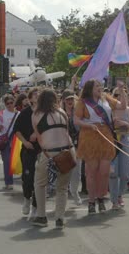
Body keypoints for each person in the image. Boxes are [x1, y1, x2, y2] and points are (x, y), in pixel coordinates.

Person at [74, 79, 126, 214]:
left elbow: (122, 106)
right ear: (90, 88)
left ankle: (101, 198)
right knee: (91, 173)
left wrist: (121, 91)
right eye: (97, 86)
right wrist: (89, 125)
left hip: (106, 136)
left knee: (104, 172)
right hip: (90, 137)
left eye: (100, 86)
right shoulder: (83, 102)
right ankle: (91, 201)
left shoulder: (106, 99)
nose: (100, 88)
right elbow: (76, 120)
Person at [31, 89, 74, 228]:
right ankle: (59, 218)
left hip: (49, 153)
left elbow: (39, 137)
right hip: (68, 152)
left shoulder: (36, 114)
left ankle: (41, 216)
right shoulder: (62, 113)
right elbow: (66, 131)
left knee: (40, 183)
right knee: (62, 188)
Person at [12, 88, 40, 218]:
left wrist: (38, 133)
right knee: (28, 177)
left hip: (42, 150)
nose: (37, 97)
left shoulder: (45, 113)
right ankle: (27, 199)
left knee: (39, 179)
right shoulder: (24, 113)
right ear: (29, 99)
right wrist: (25, 142)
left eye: (39, 95)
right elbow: (17, 130)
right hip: (28, 149)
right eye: (35, 95)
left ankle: (36, 205)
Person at [109, 86, 129, 210]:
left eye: (121, 94)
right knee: (113, 173)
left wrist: (125, 124)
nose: (119, 97)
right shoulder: (109, 110)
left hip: (125, 142)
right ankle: (114, 200)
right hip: (112, 143)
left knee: (125, 174)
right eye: (116, 95)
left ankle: (120, 194)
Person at [61, 90, 82, 206]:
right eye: (68, 99)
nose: (70, 101)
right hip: (62, 146)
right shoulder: (59, 112)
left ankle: (74, 192)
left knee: (76, 171)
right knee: (64, 171)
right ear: (63, 100)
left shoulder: (78, 112)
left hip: (77, 144)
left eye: (72, 99)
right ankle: (63, 193)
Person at [0, 95, 19, 190]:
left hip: (16, 140)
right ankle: (8, 182)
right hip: (5, 141)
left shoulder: (19, 114)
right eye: (7, 103)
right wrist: (0, 125)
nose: (9, 105)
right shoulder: (2, 114)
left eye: (11, 103)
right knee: (7, 161)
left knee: (17, 161)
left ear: (14, 103)